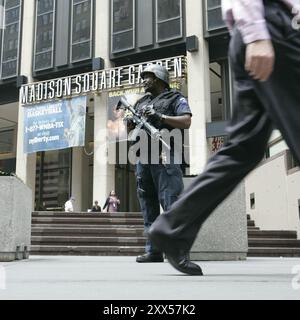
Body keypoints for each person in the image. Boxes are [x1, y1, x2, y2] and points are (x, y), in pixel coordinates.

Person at [148, 0, 300, 275]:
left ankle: (172, 227)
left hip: (260, 32)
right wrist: (257, 33)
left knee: (242, 149)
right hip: (271, 29)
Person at [126, 64, 197, 265]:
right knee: (148, 206)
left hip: (166, 156)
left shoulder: (175, 98)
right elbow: (131, 132)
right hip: (143, 157)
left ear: (158, 78)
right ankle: (154, 251)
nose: (144, 81)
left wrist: (161, 117)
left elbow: (186, 122)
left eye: (147, 77)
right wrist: (130, 125)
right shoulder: (141, 102)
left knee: (171, 203)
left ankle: (179, 253)